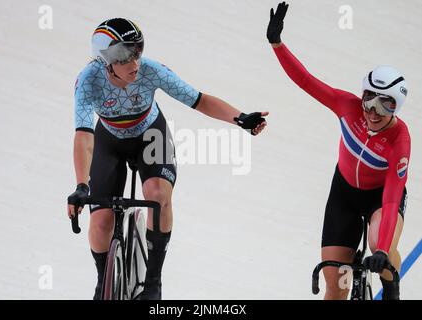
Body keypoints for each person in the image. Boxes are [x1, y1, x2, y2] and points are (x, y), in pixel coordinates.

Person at [67, 18, 269, 300]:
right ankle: (103, 279)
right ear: (105, 60)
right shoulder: (88, 80)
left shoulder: (151, 70)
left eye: (137, 52)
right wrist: (81, 185)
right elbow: (84, 136)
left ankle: (153, 281)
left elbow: (199, 100)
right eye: (125, 57)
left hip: (150, 136)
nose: (134, 63)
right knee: (100, 221)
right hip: (109, 141)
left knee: (158, 194)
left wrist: (240, 118)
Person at [267, 3, 410, 300]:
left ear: (397, 107)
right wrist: (277, 44)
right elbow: (307, 81)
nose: (373, 111)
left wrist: (382, 250)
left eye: (386, 104)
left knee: (376, 243)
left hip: (380, 198)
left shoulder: (399, 139)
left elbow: (393, 193)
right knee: (336, 282)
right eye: (369, 100)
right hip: (344, 194)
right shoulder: (347, 106)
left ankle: (392, 287)